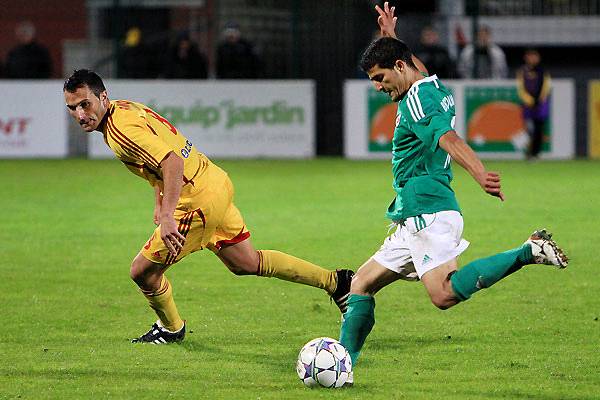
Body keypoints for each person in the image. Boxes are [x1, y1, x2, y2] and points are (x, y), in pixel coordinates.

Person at [339, 3, 568, 383]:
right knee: (361, 283)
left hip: (427, 211)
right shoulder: (427, 83)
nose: (378, 88)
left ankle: (527, 251)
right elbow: (407, 64)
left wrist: (479, 173)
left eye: (380, 78)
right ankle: (343, 365)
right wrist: (391, 36)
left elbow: (448, 138)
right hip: (413, 214)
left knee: (443, 294)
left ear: (398, 68)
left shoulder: (417, 99)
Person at [63, 69, 353, 344]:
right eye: (73, 108)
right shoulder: (124, 108)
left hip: (197, 202)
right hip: (214, 182)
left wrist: (167, 216)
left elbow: (171, 161)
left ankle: (171, 328)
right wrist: (159, 198)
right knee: (246, 262)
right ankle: (337, 282)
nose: (80, 114)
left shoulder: (120, 131)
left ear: (103, 98)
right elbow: (156, 161)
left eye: (85, 104)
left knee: (142, 272)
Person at [516, 48, 551, 160]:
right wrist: (529, 100)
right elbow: (521, 88)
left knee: (539, 128)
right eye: (530, 56)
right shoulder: (522, 71)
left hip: (540, 105)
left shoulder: (543, 71)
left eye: (534, 56)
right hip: (528, 105)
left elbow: (546, 87)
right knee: (529, 129)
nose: (532, 58)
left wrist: (538, 100)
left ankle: (536, 153)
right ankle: (529, 151)